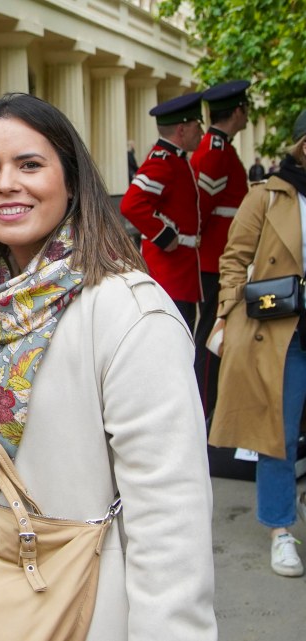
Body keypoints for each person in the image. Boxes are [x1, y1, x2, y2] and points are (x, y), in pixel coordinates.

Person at [0, 93, 217, 640]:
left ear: (73, 181)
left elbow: (171, 522)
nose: (5, 183)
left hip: (83, 613)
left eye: (29, 164)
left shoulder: (130, 312)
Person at [209, 108, 306, 578]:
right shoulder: (266, 197)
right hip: (281, 332)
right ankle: (280, 529)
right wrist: (228, 314)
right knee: (278, 436)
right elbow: (235, 260)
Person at [191, 80, 251, 417]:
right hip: (216, 258)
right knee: (212, 335)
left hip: (219, 255)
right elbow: (201, 207)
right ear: (238, 111)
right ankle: (205, 408)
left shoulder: (220, 148)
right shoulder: (216, 151)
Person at [121, 92, 205, 330]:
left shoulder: (176, 159)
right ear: (182, 129)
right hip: (171, 272)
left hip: (182, 270)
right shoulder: (163, 161)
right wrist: (165, 235)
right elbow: (131, 203)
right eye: (197, 125)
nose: (201, 131)